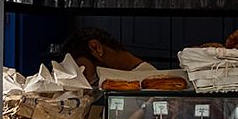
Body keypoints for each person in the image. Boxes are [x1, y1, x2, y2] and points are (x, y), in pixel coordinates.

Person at [56, 25, 185, 88]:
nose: (82, 81)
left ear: (96, 48)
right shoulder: (111, 85)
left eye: (80, 71)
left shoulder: (150, 81)